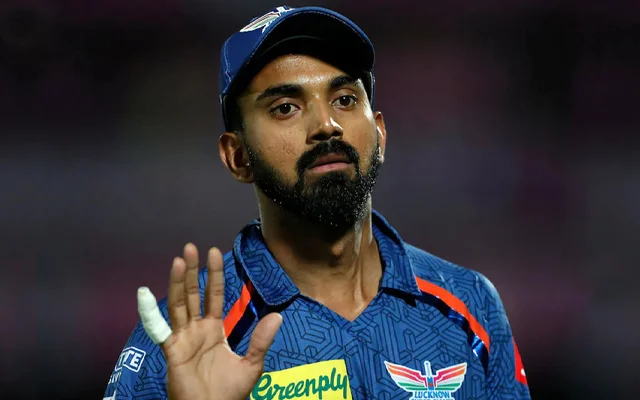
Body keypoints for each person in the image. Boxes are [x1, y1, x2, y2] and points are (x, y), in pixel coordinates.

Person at [103, 5, 532, 400]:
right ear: (238, 156)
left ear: (380, 134)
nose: (326, 125)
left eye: (344, 100)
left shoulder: (469, 305)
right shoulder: (179, 344)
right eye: (285, 108)